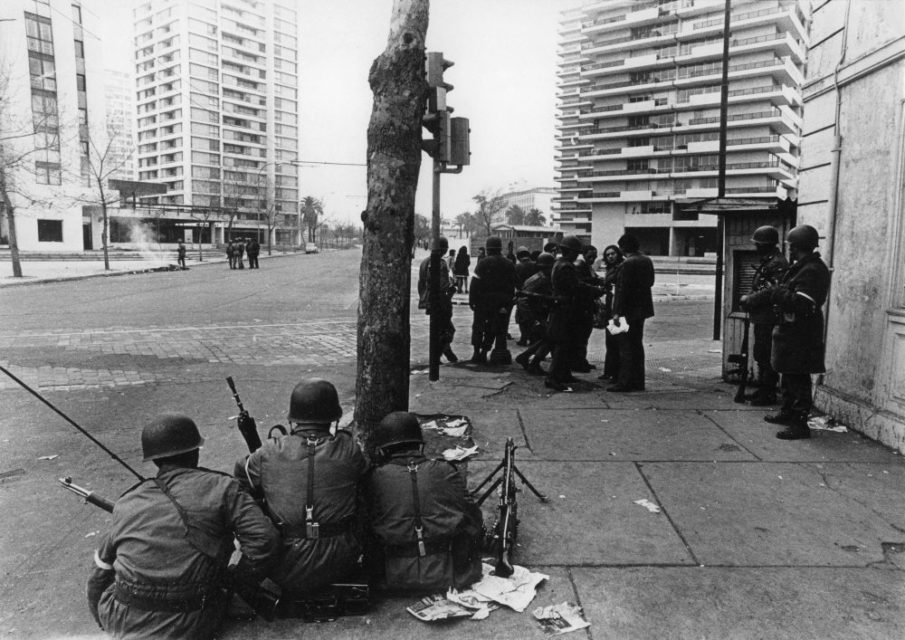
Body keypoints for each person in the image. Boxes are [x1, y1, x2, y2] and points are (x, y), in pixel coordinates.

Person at [87, 414, 278, 640]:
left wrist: (106, 622)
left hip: (121, 619)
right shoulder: (222, 487)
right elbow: (265, 540)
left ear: (154, 460)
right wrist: (236, 580)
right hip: (189, 620)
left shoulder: (127, 501)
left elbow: (100, 571)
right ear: (195, 452)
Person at [234, 379, 368, 596]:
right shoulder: (349, 449)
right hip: (341, 562)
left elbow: (241, 479)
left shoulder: (269, 451)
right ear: (333, 418)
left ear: (293, 419)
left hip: (283, 566)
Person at [363, 412, 483, 593]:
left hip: (390, 577)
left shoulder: (375, 477)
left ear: (384, 449)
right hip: (451, 573)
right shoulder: (445, 470)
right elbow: (474, 516)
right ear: (419, 444)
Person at [741, 224, 830, 440]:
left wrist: (777, 292)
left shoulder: (812, 270)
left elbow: (801, 303)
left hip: (802, 331)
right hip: (793, 329)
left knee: (798, 377)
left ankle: (799, 424)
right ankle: (788, 412)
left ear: (797, 247)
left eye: (791, 246)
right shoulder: (803, 266)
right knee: (789, 373)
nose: (788, 249)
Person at [545, 235, 604, 392]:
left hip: (562, 307)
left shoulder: (560, 263)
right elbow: (576, 287)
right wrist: (596, 291)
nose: (577, 255)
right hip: (566, 309)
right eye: (576, 252)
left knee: (566, 344)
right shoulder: (566, 266)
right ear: (570, 251)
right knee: (562, 345)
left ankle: (563, 373)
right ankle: (553, 377)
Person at [745, 226, 788, 405]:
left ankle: (768, 392)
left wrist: (750, 299)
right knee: (761, 354)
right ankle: (763, 389)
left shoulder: (777, 263)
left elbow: (771, 291)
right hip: (762, 316)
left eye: (758, 244)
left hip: (769, 317)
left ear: (766, 245)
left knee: (767, 355)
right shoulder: (769, 260)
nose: (756, 248)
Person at [609, 233, 655, 392]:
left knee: (625, 347)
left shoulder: (626, 264)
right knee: (637, 345)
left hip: (626, 311)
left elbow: (621, 290)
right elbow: (651, 282)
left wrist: (616, 313)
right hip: (642, 310)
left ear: (623, 248)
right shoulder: (647, 261)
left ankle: (625, 382)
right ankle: (638, 381)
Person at [469, 236, 517, 364]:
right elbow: (512, 285)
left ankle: (476, 354)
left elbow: (474, 283)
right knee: (493, 329)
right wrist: (508, 302)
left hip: (482, 301)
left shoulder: (483, 263)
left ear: (487, 248)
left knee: (478, 327)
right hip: (501, 302)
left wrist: (471, 300)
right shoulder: (509, 264)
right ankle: (484, 352)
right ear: (500, 248)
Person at [417, 236, 458, 363]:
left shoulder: (424, 262)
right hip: (442, 302)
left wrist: (424, 298)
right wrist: (452, 287)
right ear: (444, 249)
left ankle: (440, 352)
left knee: (436, 328)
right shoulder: (441, 263)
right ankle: (441, 351)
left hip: (429, 301)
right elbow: (443, 286)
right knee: (448, 329)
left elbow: (421, 284)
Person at [514, 252, 556, 375]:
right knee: (547, 338)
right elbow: (523, 299)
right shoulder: (538, 279)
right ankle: (530, 360)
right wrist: (533, 320)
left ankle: (528, 359)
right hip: (531, 315)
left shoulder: (543, 277)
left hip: (537, 314)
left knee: (546, 339)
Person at [597, 245, 625, 383]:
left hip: (617, 309)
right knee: (610, 341)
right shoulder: (610, 269)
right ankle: (609, 371)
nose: (610, 256)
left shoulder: (621, 268)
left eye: (613, 253)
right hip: (609, 307)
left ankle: (616, 373)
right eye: (607, 255)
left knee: (617, 341)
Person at [573, 244, 602, 373]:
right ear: (584, 255)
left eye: (594, 257)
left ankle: (581, 360)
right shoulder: (580, 266)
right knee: (581, 335)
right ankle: (578, 362)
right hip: (581, 306)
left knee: (584, 335)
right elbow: (582, 283)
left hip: (587, 305)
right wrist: (597, 285)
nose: (592, 259)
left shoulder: (587, 266)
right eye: (590, 256)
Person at [513, 246, 538, 346]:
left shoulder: (517, 267)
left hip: (522, 295)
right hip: (535, 296)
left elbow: (515, 282)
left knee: (522, 319)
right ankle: (532, 339)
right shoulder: (535, 265)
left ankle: (523, 338)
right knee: (533, 318)